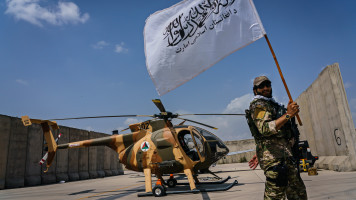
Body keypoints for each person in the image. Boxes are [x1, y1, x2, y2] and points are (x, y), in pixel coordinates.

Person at [246, 76, 307, 200]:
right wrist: (288, 115)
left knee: (298, 192)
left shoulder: (273, 104)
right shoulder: (259, 105)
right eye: (261, 86)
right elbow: (265, 129)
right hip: (274, 159)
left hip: (286, 155)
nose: (266, 88)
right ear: (255, 90)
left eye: (268, 84)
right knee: (275, 195)